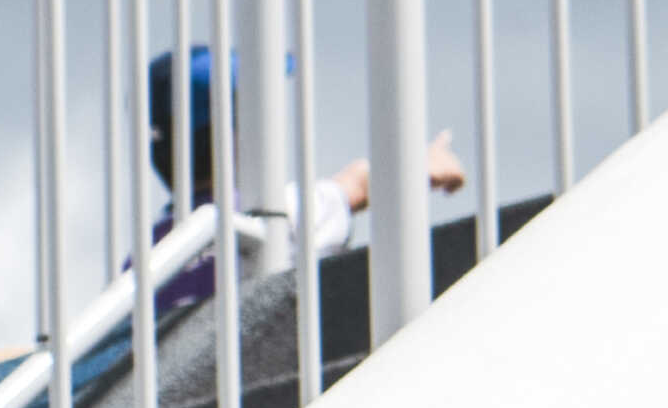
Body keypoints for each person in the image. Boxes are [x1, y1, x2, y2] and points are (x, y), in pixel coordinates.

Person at [145, 46, 465, 315]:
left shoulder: (146, 256)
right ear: (235, 134)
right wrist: (426, 163)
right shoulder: (274, 214)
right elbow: (359, 183)